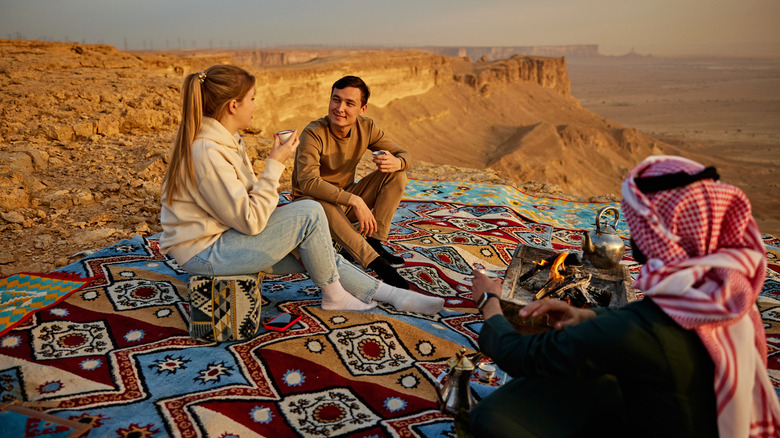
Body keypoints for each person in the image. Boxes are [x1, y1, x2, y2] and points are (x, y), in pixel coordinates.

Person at [467, 155, 780, 437]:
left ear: (657, 233)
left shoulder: (640, 330)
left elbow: (522, 356)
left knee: (490, 419)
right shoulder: (725, 296)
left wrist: (489, 302)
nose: (632, 237)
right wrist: (588, 316)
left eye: (637, 226)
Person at [159, 65, 444, 316]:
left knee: (314, 247)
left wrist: (284, 225)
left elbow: (245, 205)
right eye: (252, 99)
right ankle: (335, 295)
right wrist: (274, 164)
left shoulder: (227, 139)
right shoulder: (208, 151)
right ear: (233, 105)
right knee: (310, 212)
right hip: (206, 254)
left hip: (226, 237)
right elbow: (251, 219)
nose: (255, 106)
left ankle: (393, 295)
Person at [292, 75, 411, 288]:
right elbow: (308, 182)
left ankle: (374, 242)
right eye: (336, 100)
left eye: (349, 103)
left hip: (343, 202)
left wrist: (397, 162)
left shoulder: (366, 127)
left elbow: (405, 154)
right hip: (311, 206)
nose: (340, 108)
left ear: (362, 109)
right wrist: (354, 200)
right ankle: (378, 265)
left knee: (396, 175)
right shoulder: (313, 133)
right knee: (320, 204)